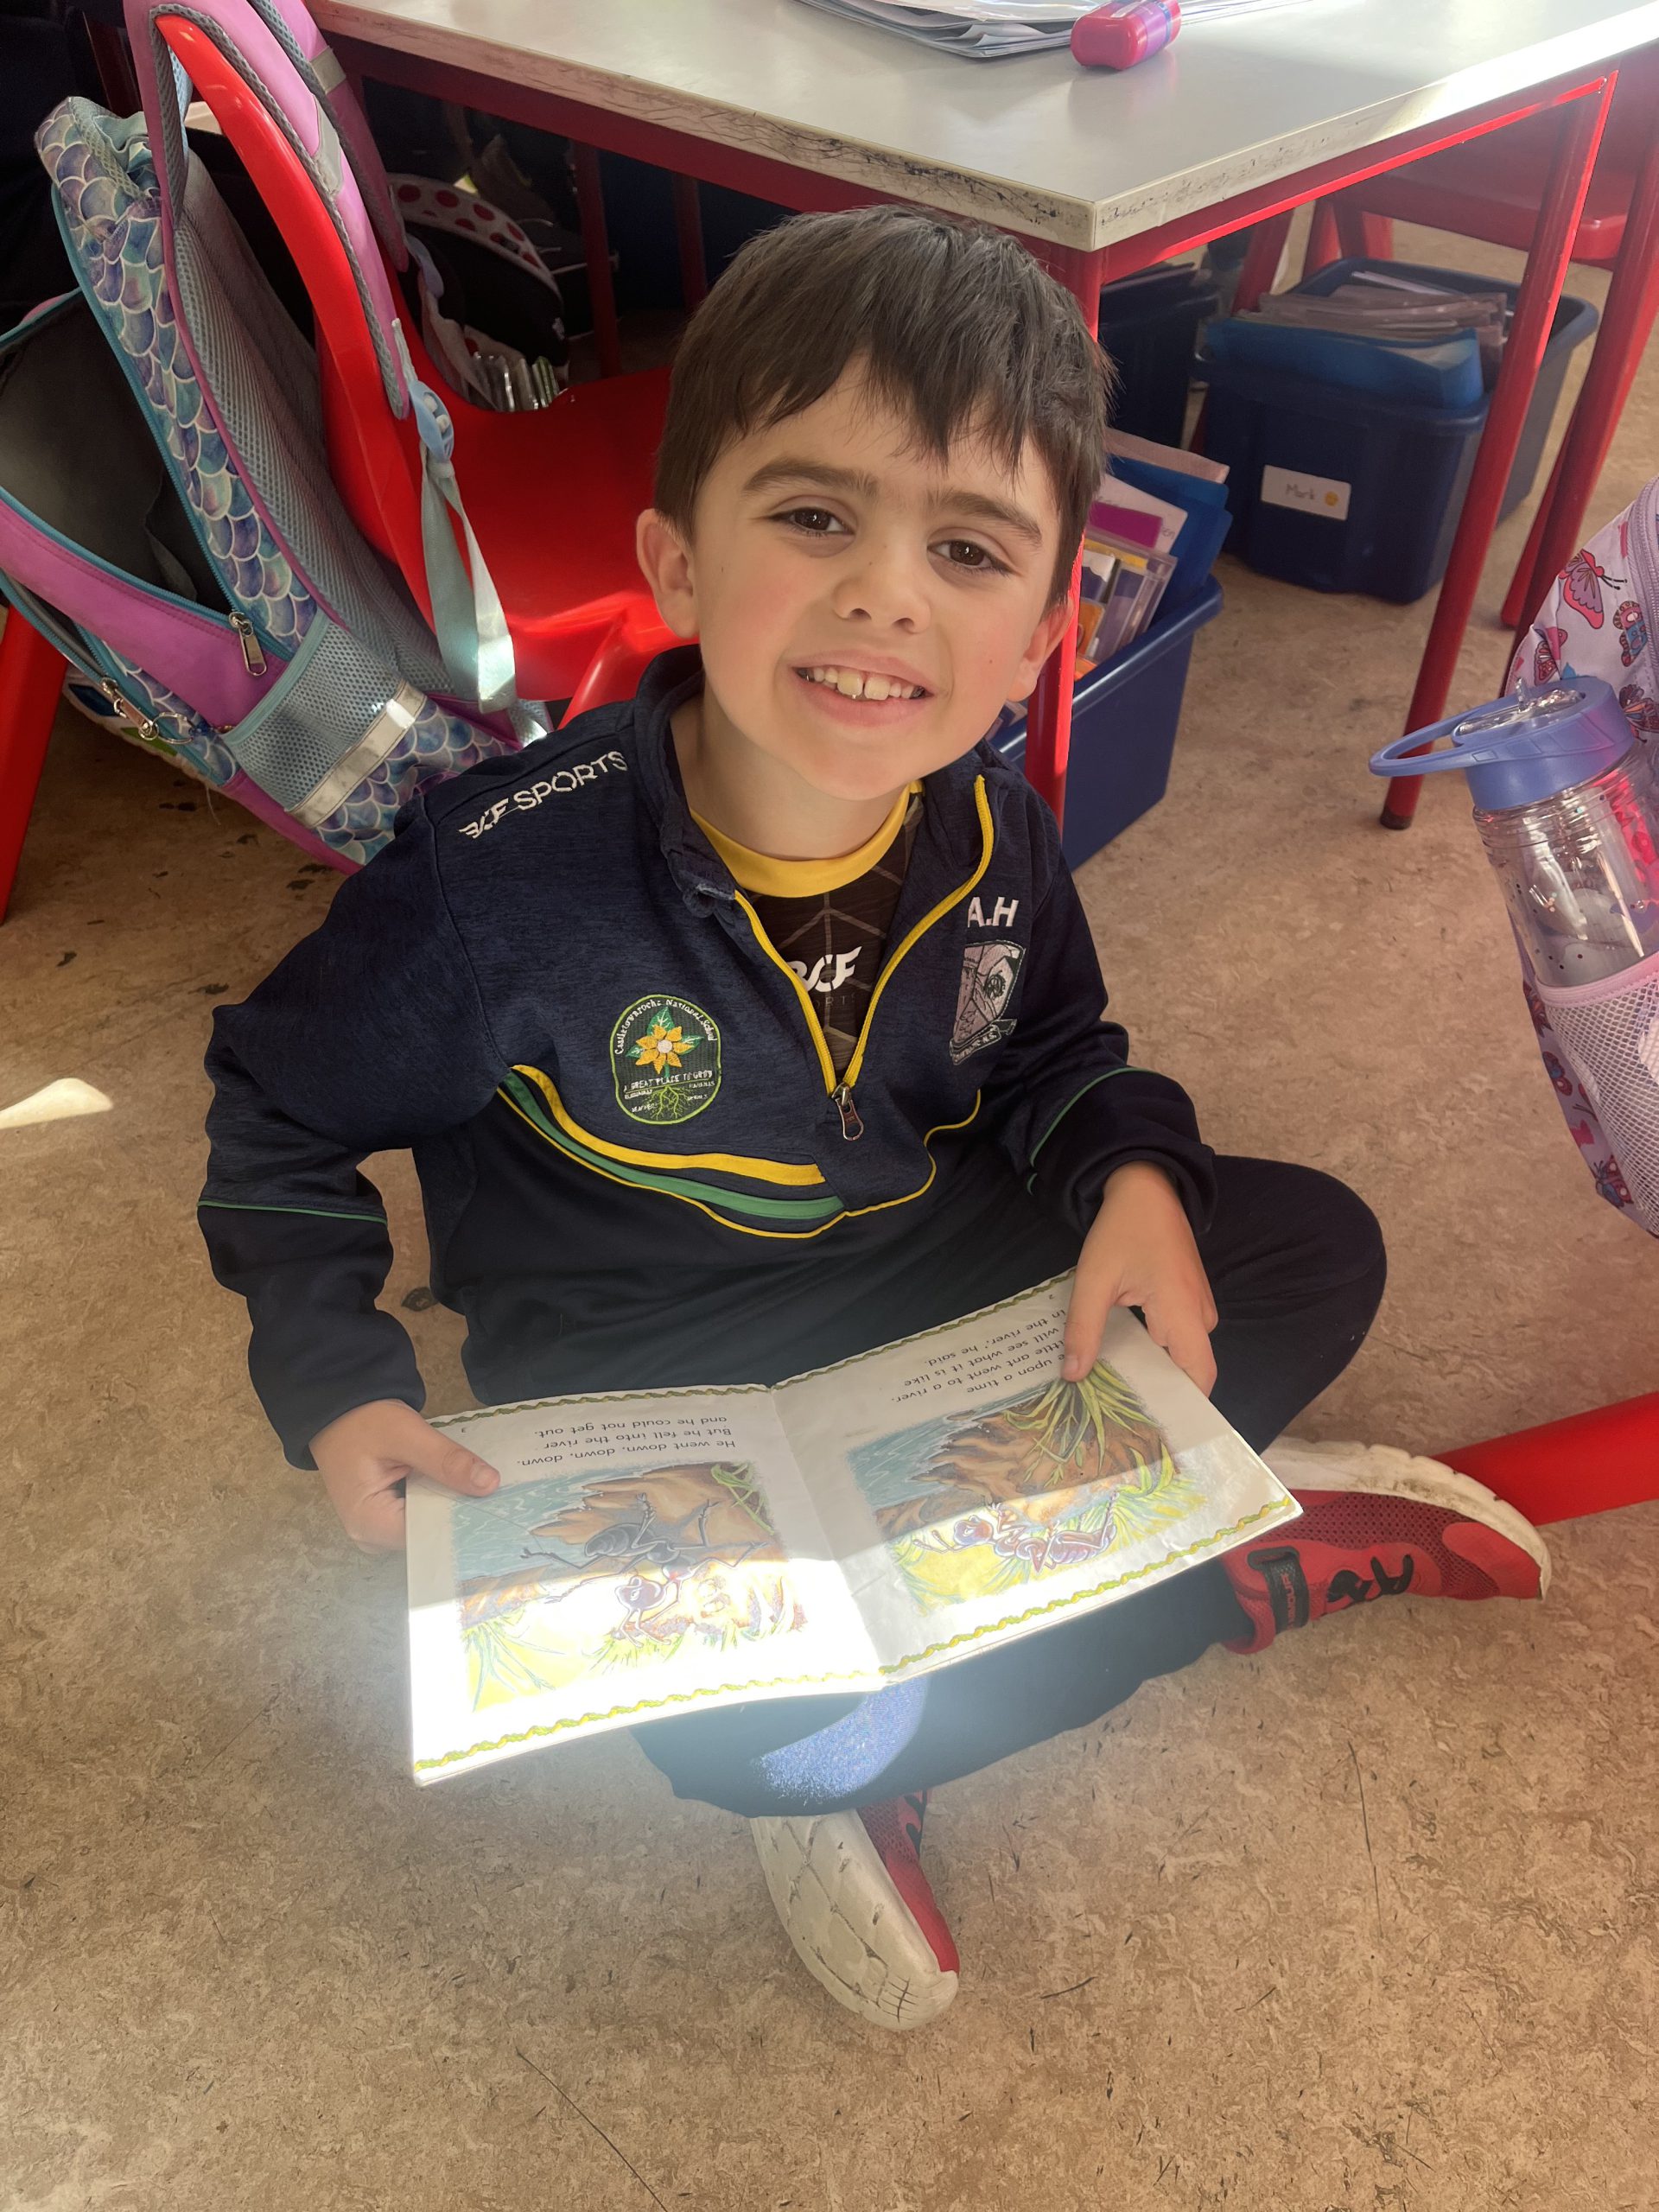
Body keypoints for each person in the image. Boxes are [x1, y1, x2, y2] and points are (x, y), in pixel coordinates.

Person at [199, 206, 1548, 2031]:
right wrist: (335, 1374)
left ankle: (1051, 1594)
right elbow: (277, 1098)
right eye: (816, 517)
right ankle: (1188, 1574)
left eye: (968, 547)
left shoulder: (989, 825)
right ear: (678, 562)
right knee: (749, 1746)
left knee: (1313, 1248)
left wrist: (1133, 1170)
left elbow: (1058, 1046)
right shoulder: (493, 887)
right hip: (640, 1352)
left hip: (931, 1276)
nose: (886, 595)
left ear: (1045, 632)